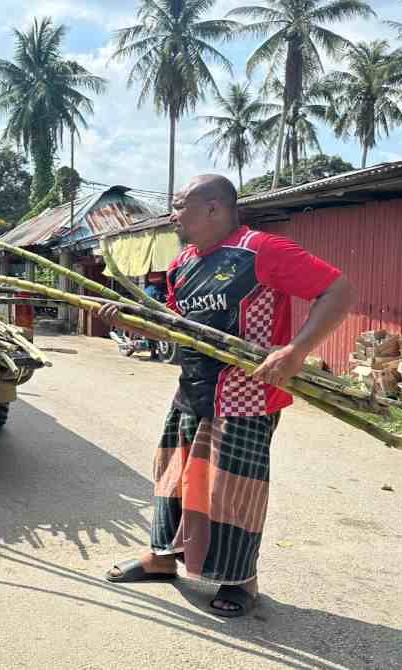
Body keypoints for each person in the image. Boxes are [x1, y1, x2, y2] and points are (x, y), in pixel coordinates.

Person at [99, 175, 354, 617]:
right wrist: (137, 324)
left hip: (246, 397)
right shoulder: (181, 264)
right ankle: (162, 557)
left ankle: (241, 581)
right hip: (191, 391)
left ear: (214, 208)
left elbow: (338, 289)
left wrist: (296, 351)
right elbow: (179, 327)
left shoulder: (262, 250)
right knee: (173, 480)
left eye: (179, 206)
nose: (173, 215)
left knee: (233, 492)